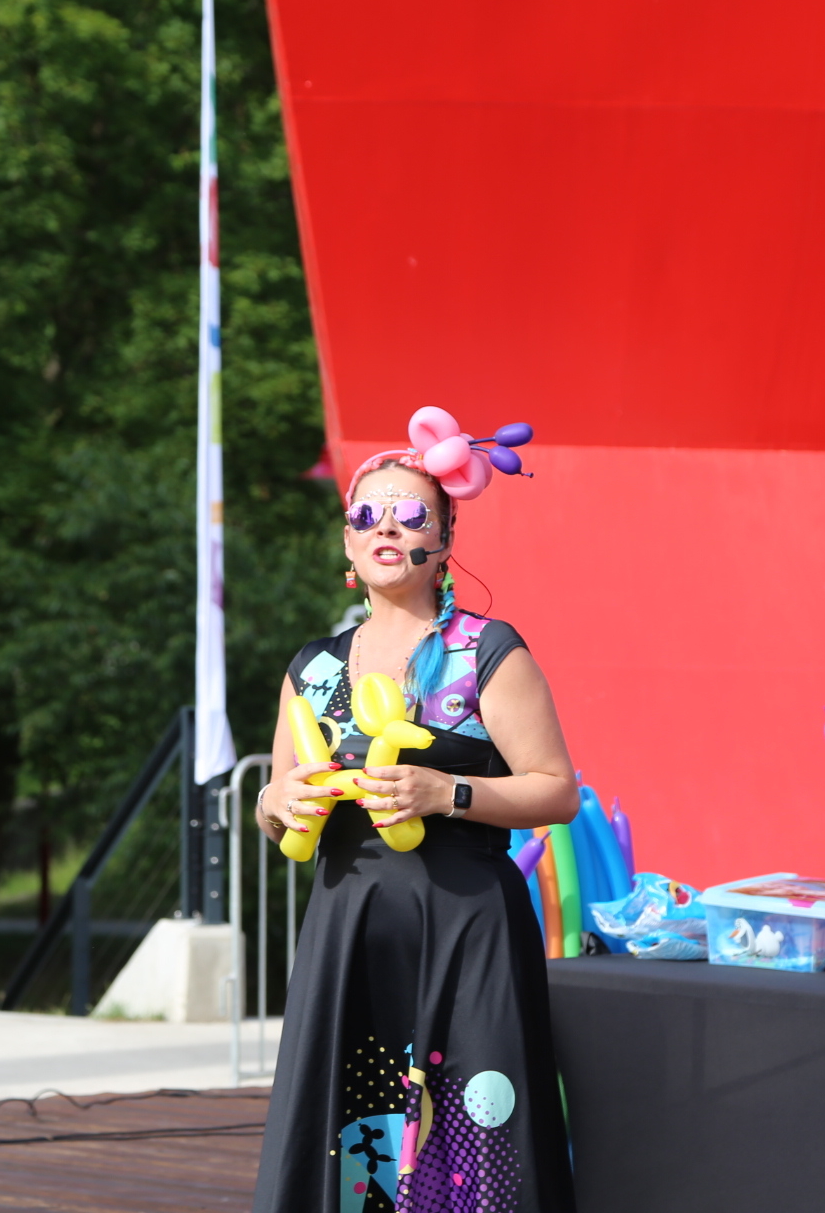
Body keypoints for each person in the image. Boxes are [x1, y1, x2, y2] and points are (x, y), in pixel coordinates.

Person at [250, 410, 580, 1213]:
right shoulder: (314, 667)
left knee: (479, 1130)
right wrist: (273, 801)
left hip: (467, 927)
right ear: (347, 543)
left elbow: (556, 791)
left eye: (410, 515)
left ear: (444, 540)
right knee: (352, 1134)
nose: (387, 527)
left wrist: (449, 794)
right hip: (350, 929)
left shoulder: (486, 650)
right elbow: (277, 805)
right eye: (368, 514)